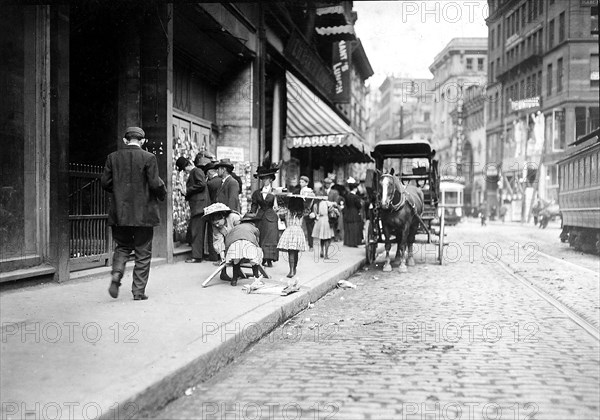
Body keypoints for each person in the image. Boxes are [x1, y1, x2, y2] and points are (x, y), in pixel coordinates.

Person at [101, 126, 166, 300]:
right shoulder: (149, 157)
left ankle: (117, 273)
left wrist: (119, 190)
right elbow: (154, 184)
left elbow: (105, 183)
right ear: (143, 141)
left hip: (120, 214)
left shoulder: (112, 157)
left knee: (122, 247)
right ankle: (138, 292)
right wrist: (162, 194)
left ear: (125, 140)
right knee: (143, 252)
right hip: (143, 214)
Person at [176, 156, 210, 263]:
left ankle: (197, 256)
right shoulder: (196, 172)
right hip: (199, 206)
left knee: (196, 232)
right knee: (197, 231)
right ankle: (198, 255)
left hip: (199, 207)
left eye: (184, 168)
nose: (185, 171)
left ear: (187, 165)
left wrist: (187, 190)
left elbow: (201, 184)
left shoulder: (196, 171)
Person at [251, 152, 280, 267]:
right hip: (260, 216)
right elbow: (254, 205)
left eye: (266, 178)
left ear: (271, 179)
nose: (264, 181)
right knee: (261, 237)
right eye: (262, 179)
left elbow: (279, 205)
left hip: (271, 217)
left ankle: (269, 259)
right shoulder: (257, 193)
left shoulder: (275, 192)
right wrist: (251, 215)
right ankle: (261, 258)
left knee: (271, 238)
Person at [203, 203, 242, 281]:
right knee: (224, 252)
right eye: (214, 224)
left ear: (223, 217)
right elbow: (218, 240)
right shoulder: (215, 226)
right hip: (229, 241)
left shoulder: (234, 218)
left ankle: (237, 271)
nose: (217, 225)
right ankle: (223, 273)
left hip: (241, 239)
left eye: (218, 223)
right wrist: (222, 256)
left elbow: (242, 231)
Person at [224, 212, 264, 286]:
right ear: (253, 222)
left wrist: (226, 252)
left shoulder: (235, 228)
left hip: (234, 244)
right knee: (254, 261)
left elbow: (228, 238)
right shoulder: (255, 229)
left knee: (236, 262)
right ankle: (256, 278)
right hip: (248, 244)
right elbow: (256, 241)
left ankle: (234, 279)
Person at [278, 196, 309, 278]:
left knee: (290, 251)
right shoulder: (302, 212)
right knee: (296, 251)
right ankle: (294, 268)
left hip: (289, 231)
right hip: (299, 232)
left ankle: (291, 270)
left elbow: (279, 214)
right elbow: (308, 210)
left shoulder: (287, 211)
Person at [342, 177, 364, 247]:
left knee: (349, 228)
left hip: (348, 212)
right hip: (355, 213)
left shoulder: (347, 196)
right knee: (355, 228)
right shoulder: (356, 197)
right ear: (355, 188)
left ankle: (348, 242)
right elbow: (359, 206)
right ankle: (354, 242)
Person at [299, 176, 315, 250]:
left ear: (306, 183)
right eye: (300, 182)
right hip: (303, 210)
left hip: (307, 210)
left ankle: (310, 245)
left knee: (309, 229)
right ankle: (307, 245)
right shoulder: (302, 190)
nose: (301, 183)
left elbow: (311, 200)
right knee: (305, 228)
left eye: (302, 182)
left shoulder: (308, 191)